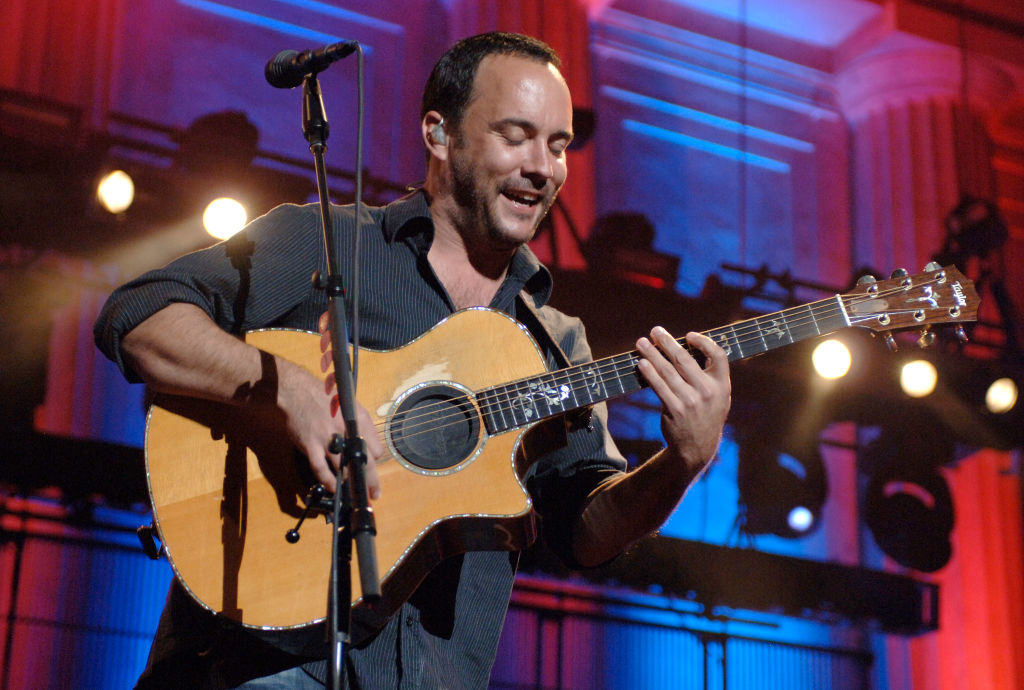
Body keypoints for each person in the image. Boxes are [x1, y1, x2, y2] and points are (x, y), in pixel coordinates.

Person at [94, 32, 731, 689]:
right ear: (439, 134)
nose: (543, 167)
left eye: (558, 144)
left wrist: (684, 460)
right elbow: (140, 315)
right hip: (250, 666)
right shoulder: (328, 241)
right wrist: (289, 388)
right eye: (516, 136)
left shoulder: (556, 342)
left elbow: (588, 533)